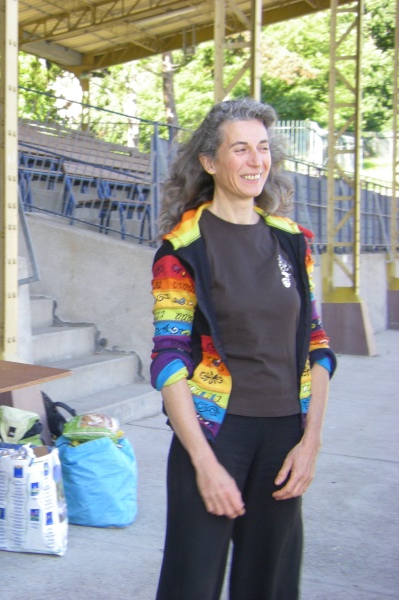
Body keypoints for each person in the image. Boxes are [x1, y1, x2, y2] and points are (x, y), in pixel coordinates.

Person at [149, 97, 336, 600]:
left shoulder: (294, 242)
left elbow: (317, 346)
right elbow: (168, 361)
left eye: (262, 149)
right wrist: (205, 464)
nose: (256, 162)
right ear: (210, 162)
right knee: (193, 583)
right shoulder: (182, 249)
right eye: (240, 150)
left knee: (271, 584)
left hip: (285, 438)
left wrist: (310, 441)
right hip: (215, 434)